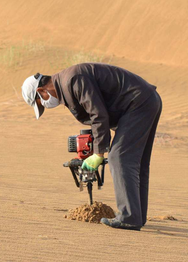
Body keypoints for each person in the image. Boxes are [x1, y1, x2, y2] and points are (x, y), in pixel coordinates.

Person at [21, 63, 161, 231]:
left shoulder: (73, 80)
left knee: (119, 158)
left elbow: (98, 115)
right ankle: (137, 216)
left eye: (41, 103)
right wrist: (95, 148)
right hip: (147, 101)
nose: (46, 105)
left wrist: (99, 153)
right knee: (137, 163)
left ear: (42, 91)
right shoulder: (68, 84)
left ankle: (129, 217)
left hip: (138, 104)